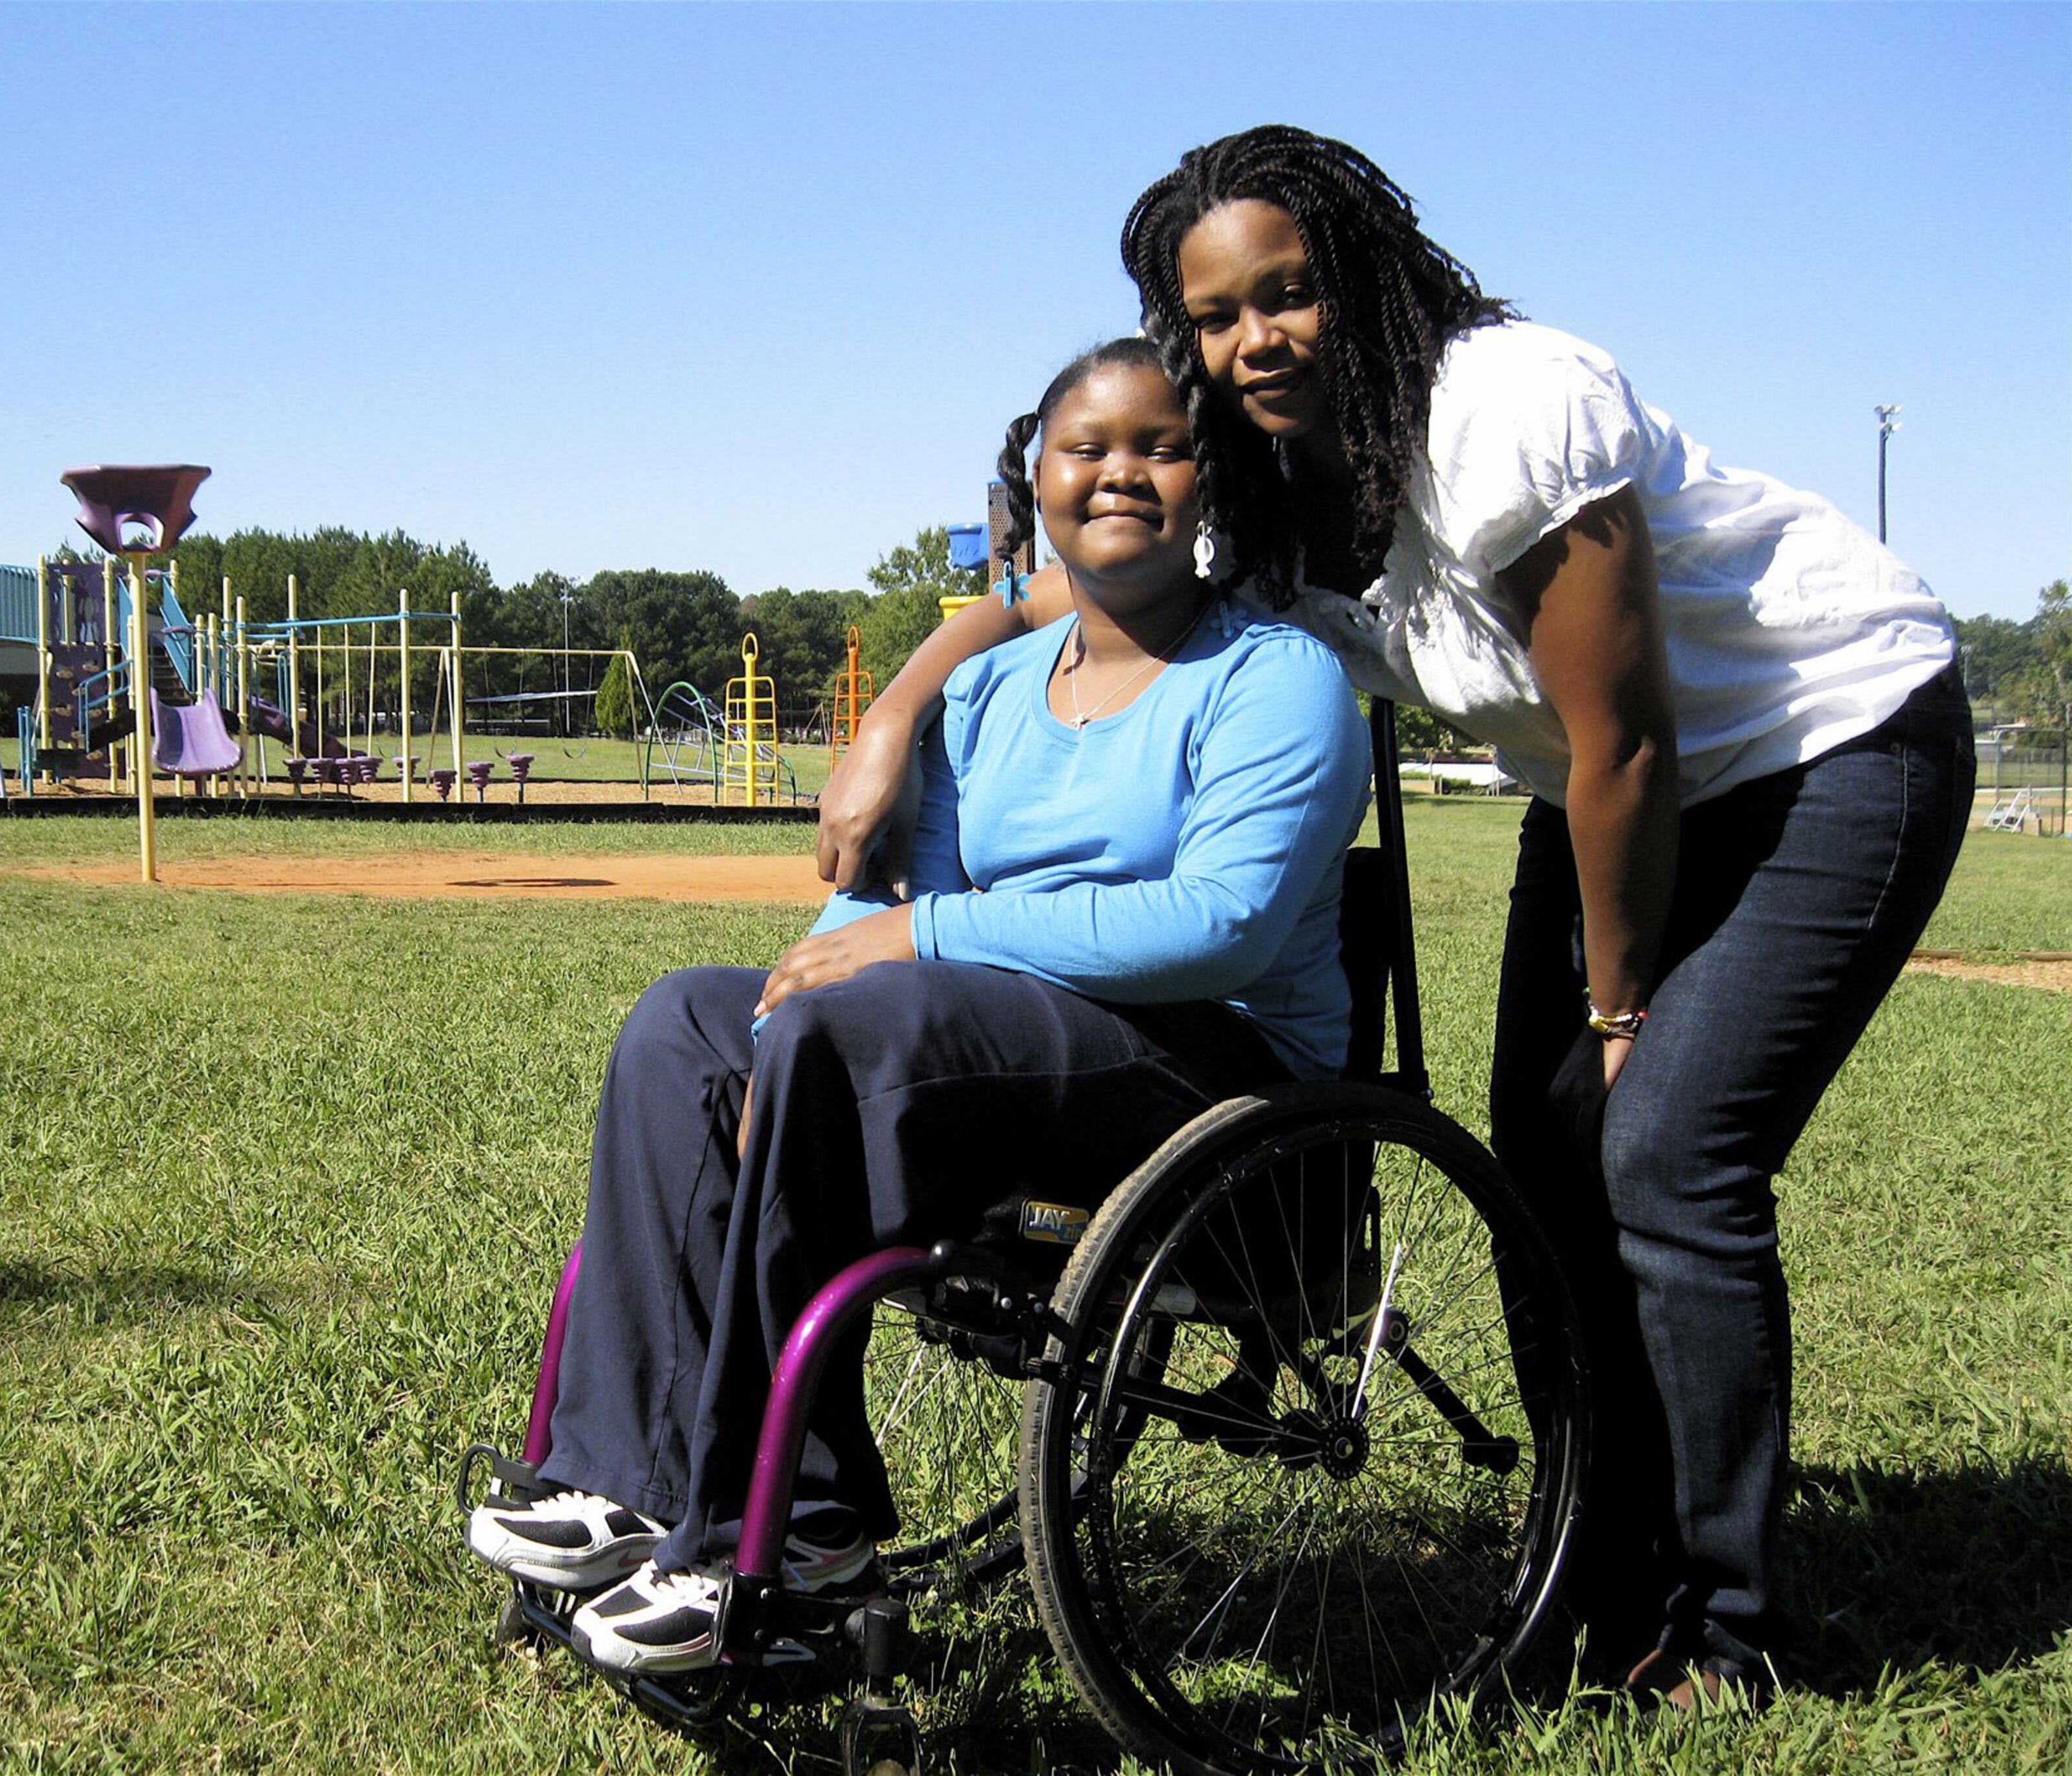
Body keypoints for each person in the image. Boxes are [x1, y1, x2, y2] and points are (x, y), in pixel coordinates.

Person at [820, 127, 1974, 1708]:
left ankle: (1732, 1628)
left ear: (1359, 271)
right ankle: (1596, 1567)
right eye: (1217, 318)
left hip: (1823, 745)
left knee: (1664, 1152)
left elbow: (1633, 738)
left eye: (1288, 294)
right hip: (1599, 784)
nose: (1257, 339)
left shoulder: (1507, 408)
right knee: (1544, 1163)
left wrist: (1624, 1018)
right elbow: (1050, 598)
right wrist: (896, 708)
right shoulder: (1267, 480)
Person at [466, 338, 1370, 1676]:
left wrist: (913, 939)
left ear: (1211, 477)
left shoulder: (1274, 679)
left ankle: (800, 1540)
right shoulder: (997, 684)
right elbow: (881, 915)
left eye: (1159, 446)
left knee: (862, 1026)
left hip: (1215, 1077)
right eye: (1087, 447)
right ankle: (630, 1478)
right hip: (995, 1037)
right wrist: (788, 1012)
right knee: (689, 1028)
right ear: (1041, 482)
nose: (1120, 471)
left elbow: (1219, 921)